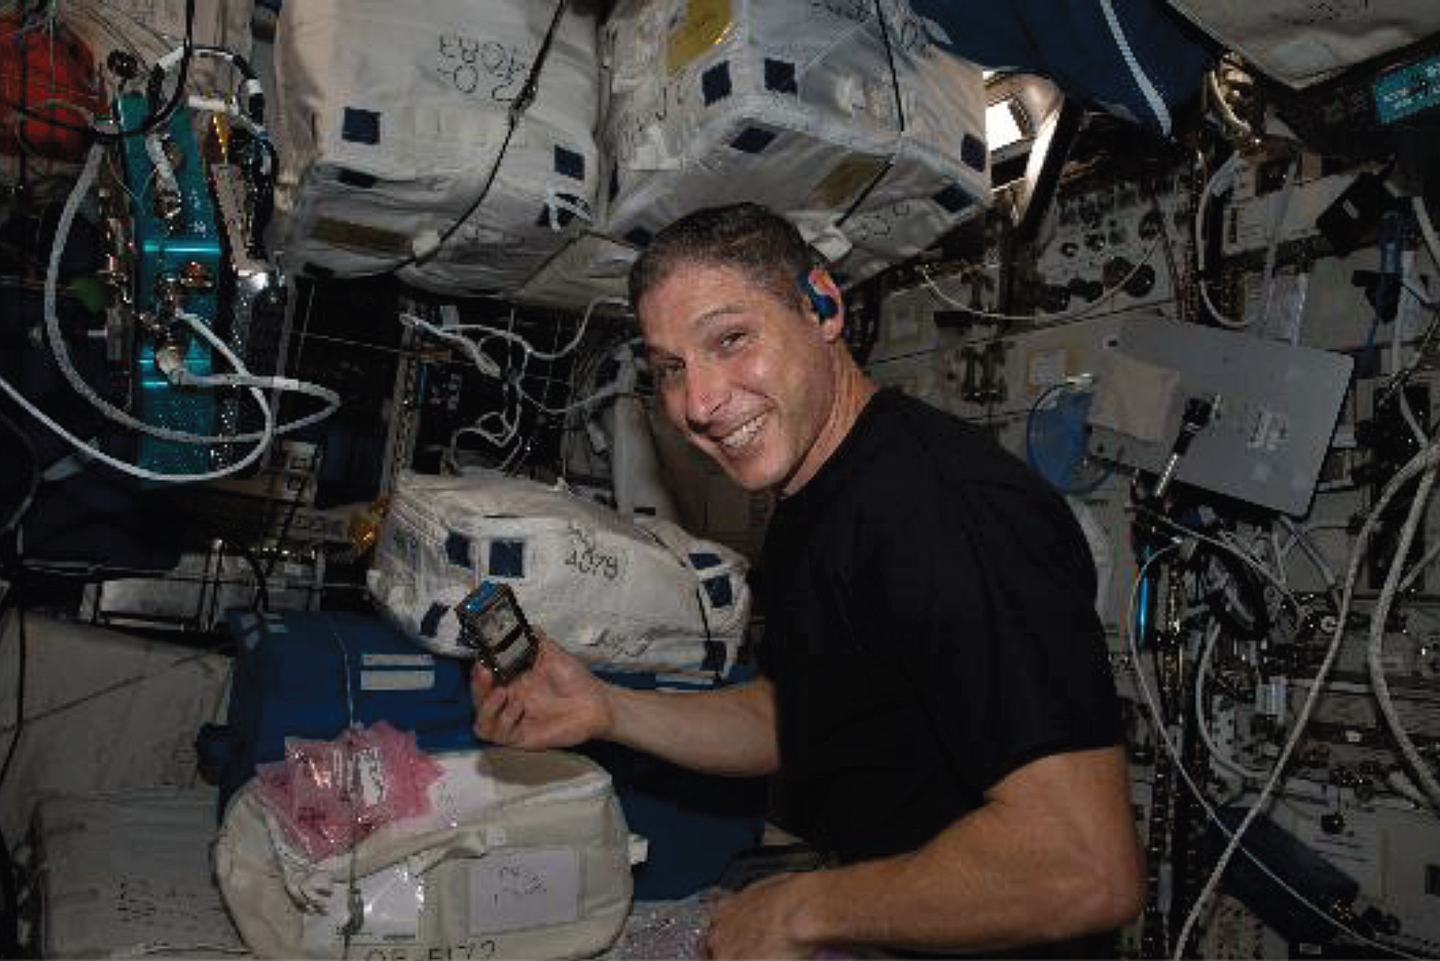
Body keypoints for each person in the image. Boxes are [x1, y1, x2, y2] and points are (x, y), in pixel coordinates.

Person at [472, 203, 1144, 958]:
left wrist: (805, 908)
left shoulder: (946, 514)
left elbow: (1082, 866)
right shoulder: (808, 500)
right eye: (671, 368)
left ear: (823, 306)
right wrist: (607, 709)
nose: (699, 403)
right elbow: (804, 712)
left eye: (731, 339)